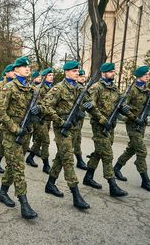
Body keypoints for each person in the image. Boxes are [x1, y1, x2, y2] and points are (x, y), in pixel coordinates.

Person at [37, 61, 106, 209]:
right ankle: (76, 195)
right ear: (66, 72)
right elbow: (45, 106)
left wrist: (102, 119)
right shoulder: (58, 88)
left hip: (75, 129)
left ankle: (50, 184)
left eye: (78, 71)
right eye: (74, 71)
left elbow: (91, 106)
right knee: (68, 159)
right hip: (62, 129)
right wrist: (60, 121)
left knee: (61, 157)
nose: (77, 73)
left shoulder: (81, 88)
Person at [0, 56, 38, 219]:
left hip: (26, 132)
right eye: (24, 67)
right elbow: (0, 111)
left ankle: (2, 193)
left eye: (29, 67)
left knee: (13, 166)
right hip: (11, 134)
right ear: (16, 70)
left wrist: (38, 110)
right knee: (19, 167)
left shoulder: (31, 88)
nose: (28, 69)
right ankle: (24, 204)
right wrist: (14, 128)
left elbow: (40, 106)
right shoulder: (9, 87)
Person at [83, 62, 129, 197]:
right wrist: (103, 120)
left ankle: (88, 177)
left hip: (111, 126)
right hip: (99, 126)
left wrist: (124, 107)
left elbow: (121, 101)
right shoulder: (95, 88)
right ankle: (112, 185)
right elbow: (91, 106)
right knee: (107, 154)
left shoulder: (114, 88)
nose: (114, 73)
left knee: (99, 152)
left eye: (114, 71)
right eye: (111, 71)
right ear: (104, 73)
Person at [114, 65, 150, 191]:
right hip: (133, 124)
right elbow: (123, 106)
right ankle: (145, 180)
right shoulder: (132, 90)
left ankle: (116, 168)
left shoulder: (146, 90)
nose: (148, 76)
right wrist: (134, 118)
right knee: (141, 150)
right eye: (146, 74)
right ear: (140, 76)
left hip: (142, 123)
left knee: (132, 149)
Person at [26, 67, 54, 174]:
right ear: (44, 77)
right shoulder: (39, 89)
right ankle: (46, 165)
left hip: (48, 119)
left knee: (38, 140)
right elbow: (36, 105)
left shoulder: (51, 88)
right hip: (40, 119)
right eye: (49, 75)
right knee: (45, 141)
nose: (52, 77)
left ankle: (30, 157)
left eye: (52, 75)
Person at [0, 64, 15, 174]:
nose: (14, 72)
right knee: (4, 140)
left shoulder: (16, 84)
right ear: (6, 73)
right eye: (12, 71)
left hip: (13, 117)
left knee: (4, 140)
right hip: (3, 116)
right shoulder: (0, 85)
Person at [73, 69, 88, 170]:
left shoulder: (83, 88)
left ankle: (79, 160)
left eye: (84, 77)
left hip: (80, 118)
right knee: (74, 139)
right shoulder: (76, 88)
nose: (83, 78)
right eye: (81, 76)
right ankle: (79, 160)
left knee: (77, 139)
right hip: (74, 118)